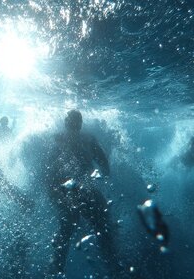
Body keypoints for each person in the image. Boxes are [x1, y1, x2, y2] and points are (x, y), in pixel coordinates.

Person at [44, 110, 117, 275]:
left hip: (76, 189)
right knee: (76, 220)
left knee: (97, 216)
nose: (74, 125)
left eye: (73, 121)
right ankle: (57, 267)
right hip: (69, 189)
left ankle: (110, 261)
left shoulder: (79, 140)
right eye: (75, 122)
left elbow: (104, 166)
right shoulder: (67, 139)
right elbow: (105, 167)